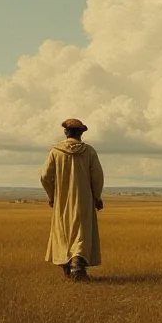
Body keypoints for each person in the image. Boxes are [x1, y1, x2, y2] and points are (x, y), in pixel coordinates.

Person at [40, 118, 105, 282]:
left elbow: (45, 177)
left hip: (62, 201)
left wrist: (52, 196)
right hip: (84, 200)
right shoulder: (89, 151)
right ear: (81, 133)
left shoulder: (55, 152)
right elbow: (97, 177)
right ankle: (77, 265)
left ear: (65, 132)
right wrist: (96, 197)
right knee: (81, 233)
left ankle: (68, 266)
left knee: (63, 233)